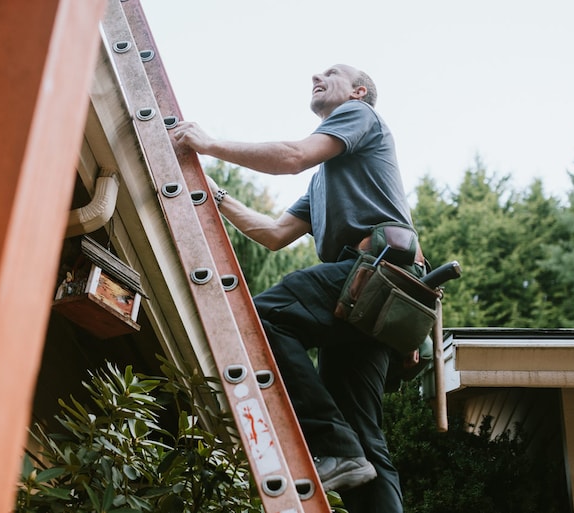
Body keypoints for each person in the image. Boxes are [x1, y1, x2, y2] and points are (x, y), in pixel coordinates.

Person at [173, 63, 419, 513]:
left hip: (376, 275)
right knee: (365, 441)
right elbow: (273, 232)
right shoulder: (325, 179)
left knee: (259, 318)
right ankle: (345, 449)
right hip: (372, 298)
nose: (315, 77)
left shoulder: (359, 115)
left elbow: (290, 156)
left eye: (331, 73)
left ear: (358, 91)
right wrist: (210, 192)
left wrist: (208, 144)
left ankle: (332, 443)